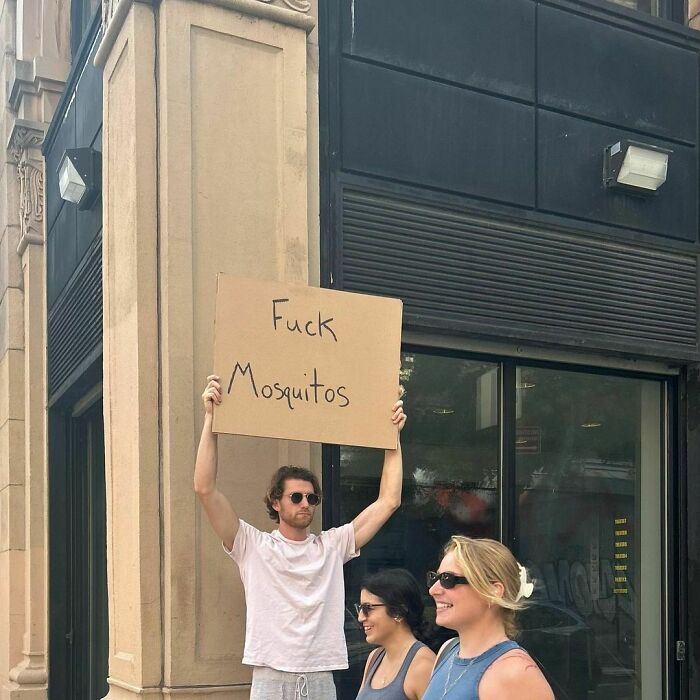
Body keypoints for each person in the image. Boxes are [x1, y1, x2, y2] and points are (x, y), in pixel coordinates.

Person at [194, 375, 407, 700]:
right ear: (276, 502)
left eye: (312, 498)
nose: (306, 503)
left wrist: (391, 434)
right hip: (270, 674)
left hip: (320, 674)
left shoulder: (332, 546)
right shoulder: (253, 545)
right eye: (296, 497)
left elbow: (388, 500)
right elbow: (204, 489)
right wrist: (211, 419)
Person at [422, 536, 554, 700]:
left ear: (493, 591)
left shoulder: (513, 672)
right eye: (434, 578)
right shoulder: (448, 650)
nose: (433, 590)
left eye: (448, 579)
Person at [355, 569, 435, 700]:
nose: (360, 617)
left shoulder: (423, 665)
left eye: (367, 608)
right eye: (360, 608)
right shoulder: (374, 658)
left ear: (398, 612)